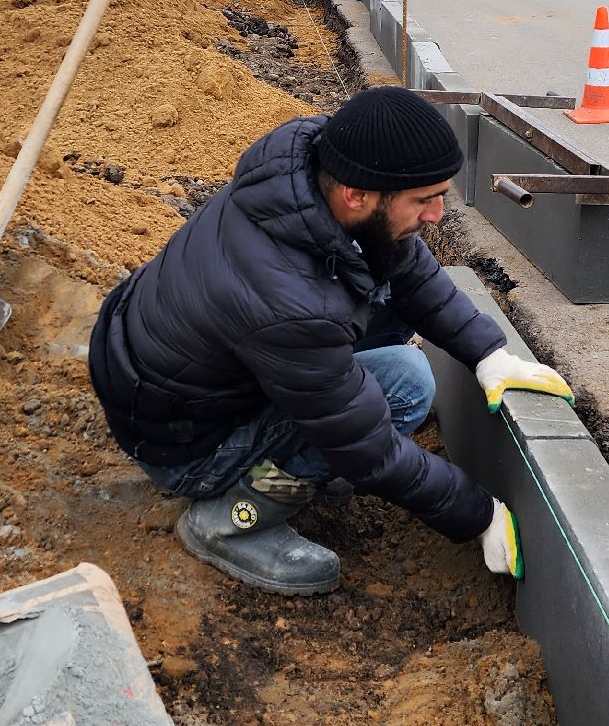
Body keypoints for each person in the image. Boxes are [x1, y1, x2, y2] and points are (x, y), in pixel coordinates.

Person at [88, 87, 574, 595]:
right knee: (404, 387)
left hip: (168, 379)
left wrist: (488, 353)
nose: (437, 216)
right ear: (356, 196)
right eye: (423, 201)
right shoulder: (292, 302)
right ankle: (232, 519)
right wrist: (479, 514)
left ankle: (294, 451)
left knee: (378, 303)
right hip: (185, 446)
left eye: (441, 195)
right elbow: (369, 451)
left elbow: (403, 264)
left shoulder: (306, 173)